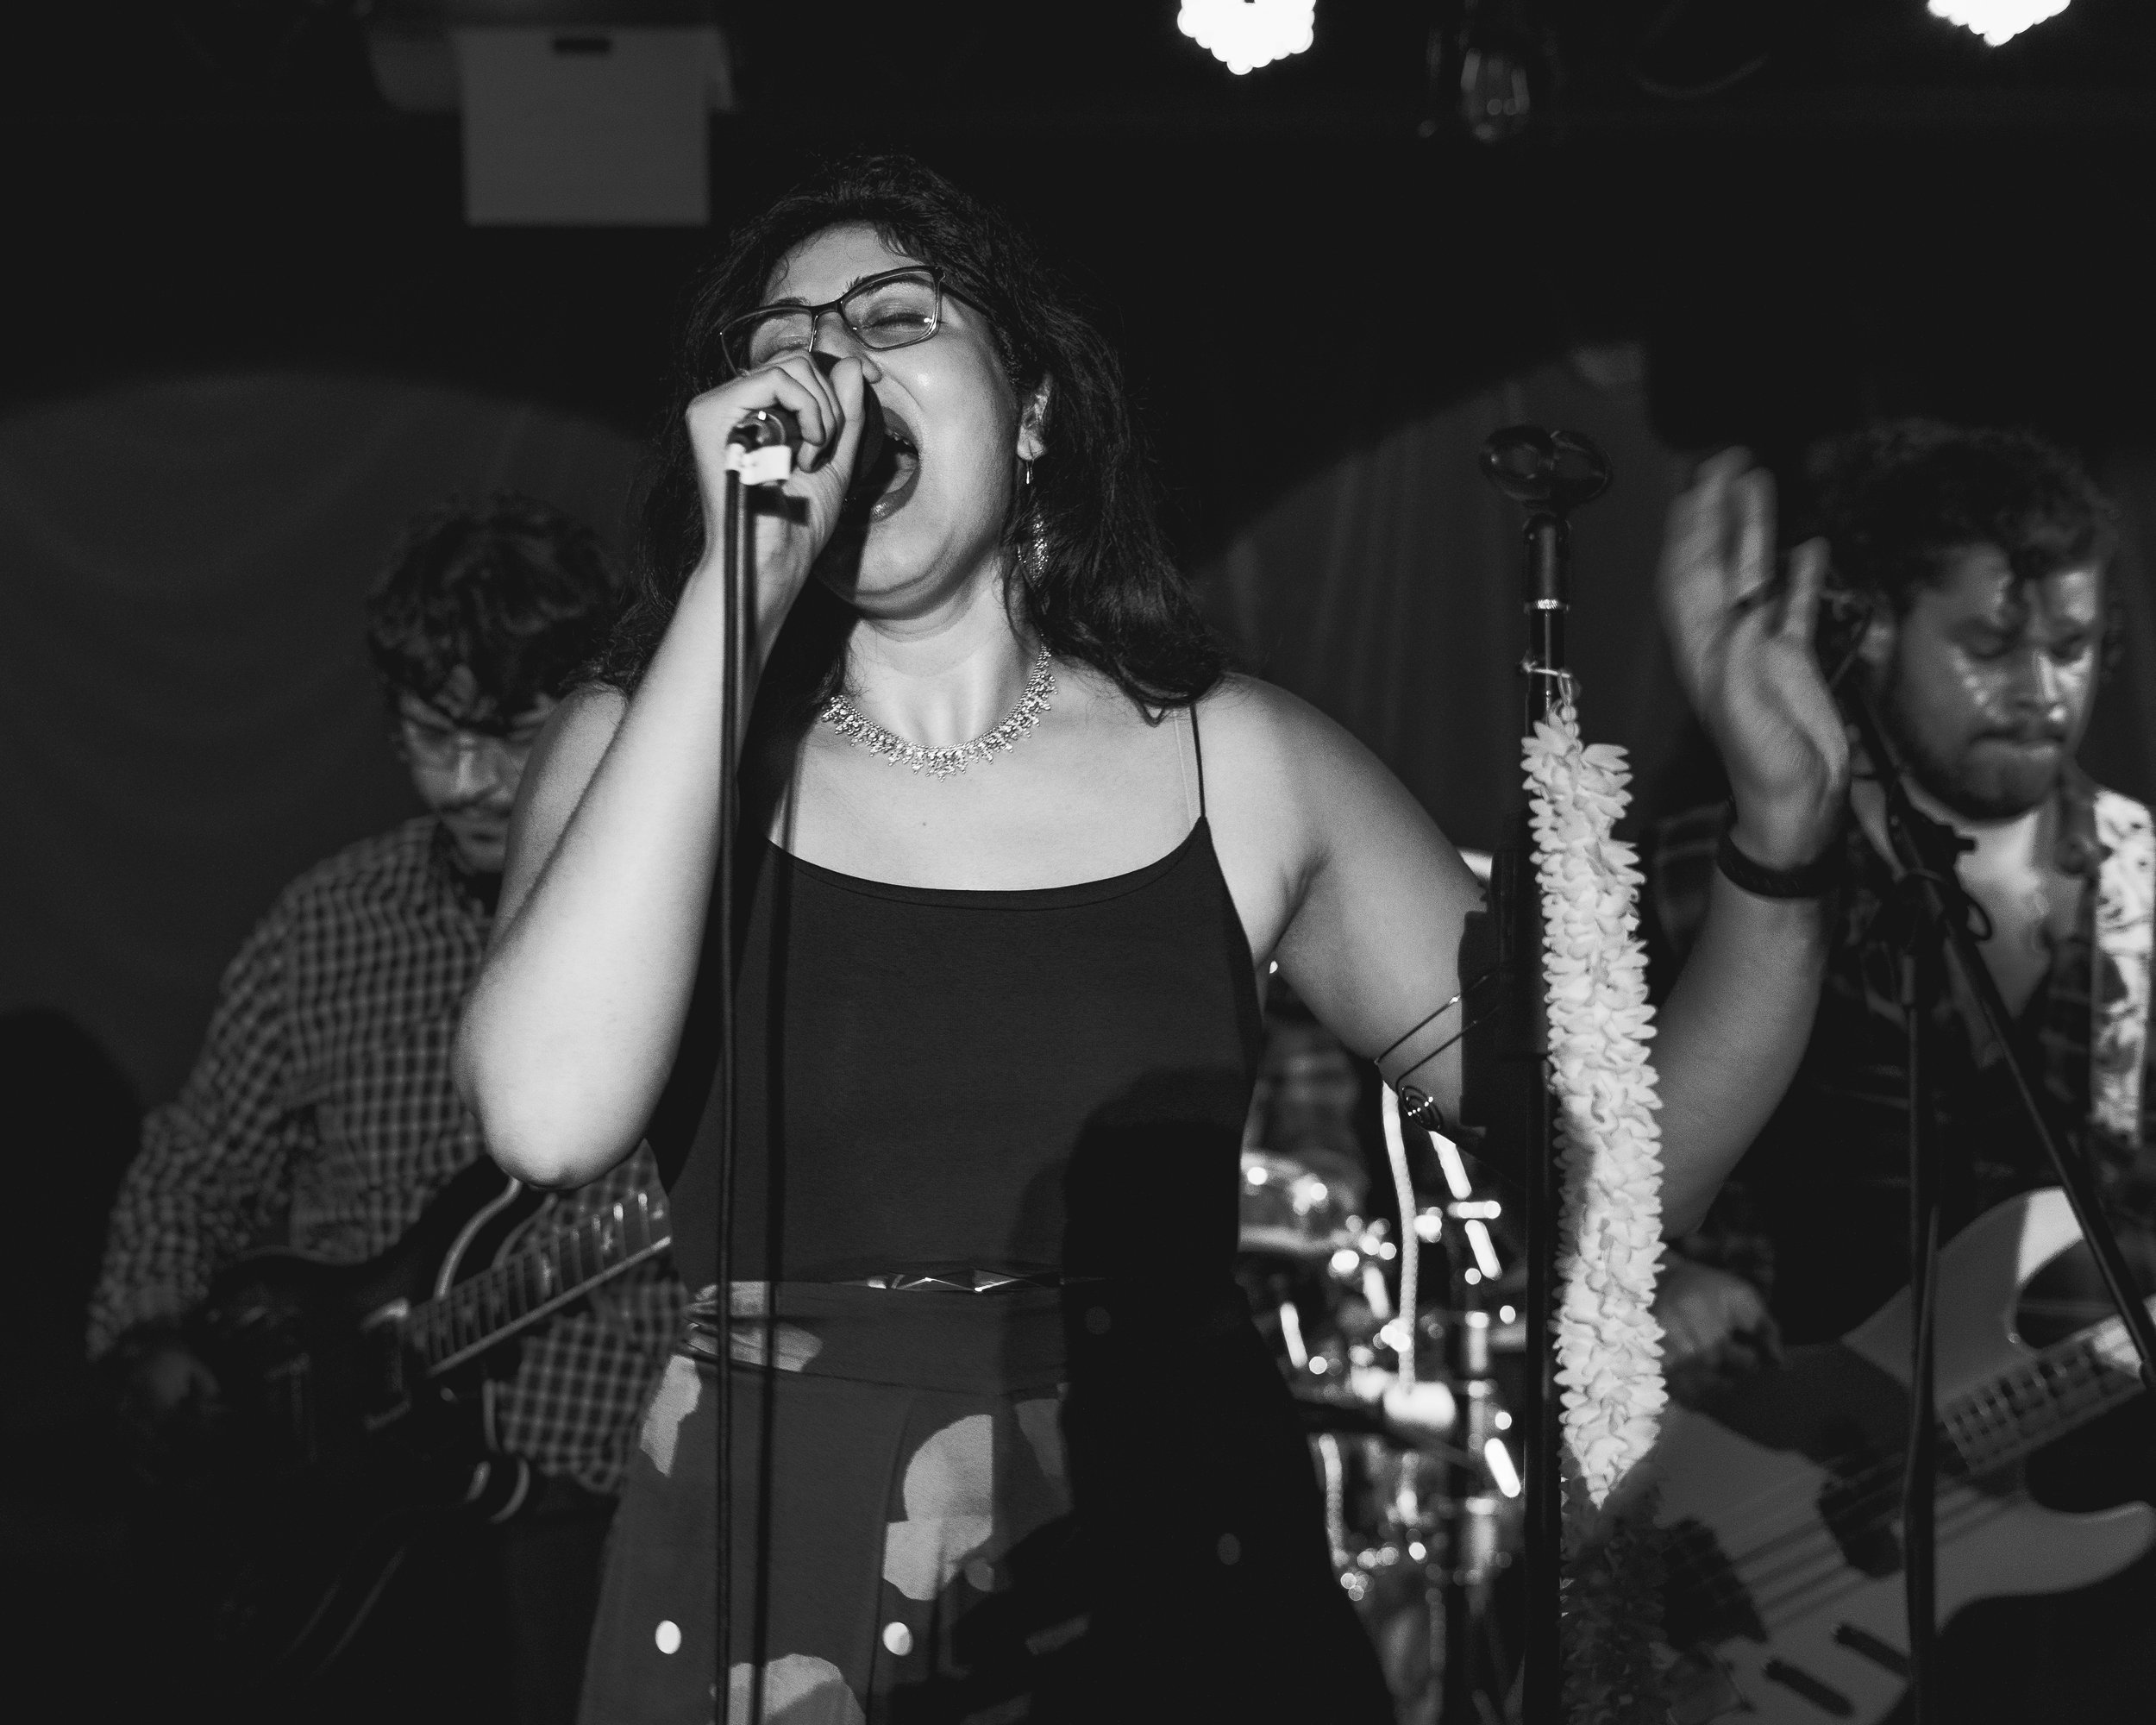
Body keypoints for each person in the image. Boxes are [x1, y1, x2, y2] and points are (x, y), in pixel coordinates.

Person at [453, 154, 1844, 1723]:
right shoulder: (647, 745)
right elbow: (546, 1119)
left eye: (893, 317)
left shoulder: (1238, 764)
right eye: (783, 345)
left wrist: (1786, 840)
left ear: (1034, 409)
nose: (830, 367)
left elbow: (1618, 1170)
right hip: (776, 1561)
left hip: (1155, 1540)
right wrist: (738, 588)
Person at [88, 494, 683, 1725]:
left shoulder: (681, 934)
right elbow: (196, 1161)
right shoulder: (327, 923)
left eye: (515, 736)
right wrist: (151, 1338)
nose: (466, 782)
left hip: (591, 1503)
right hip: (342, 1513)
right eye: (430, 732)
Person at [1643, 422, 2156, 1720]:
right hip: (1756, 1506)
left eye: (2077, 647)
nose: (2043, 687)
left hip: (2085, 1543)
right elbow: (1547, 1143)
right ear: (1873, 637)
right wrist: (1658, 1268)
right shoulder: (1705, 870)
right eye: (1989, 648)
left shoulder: (2146, 890)